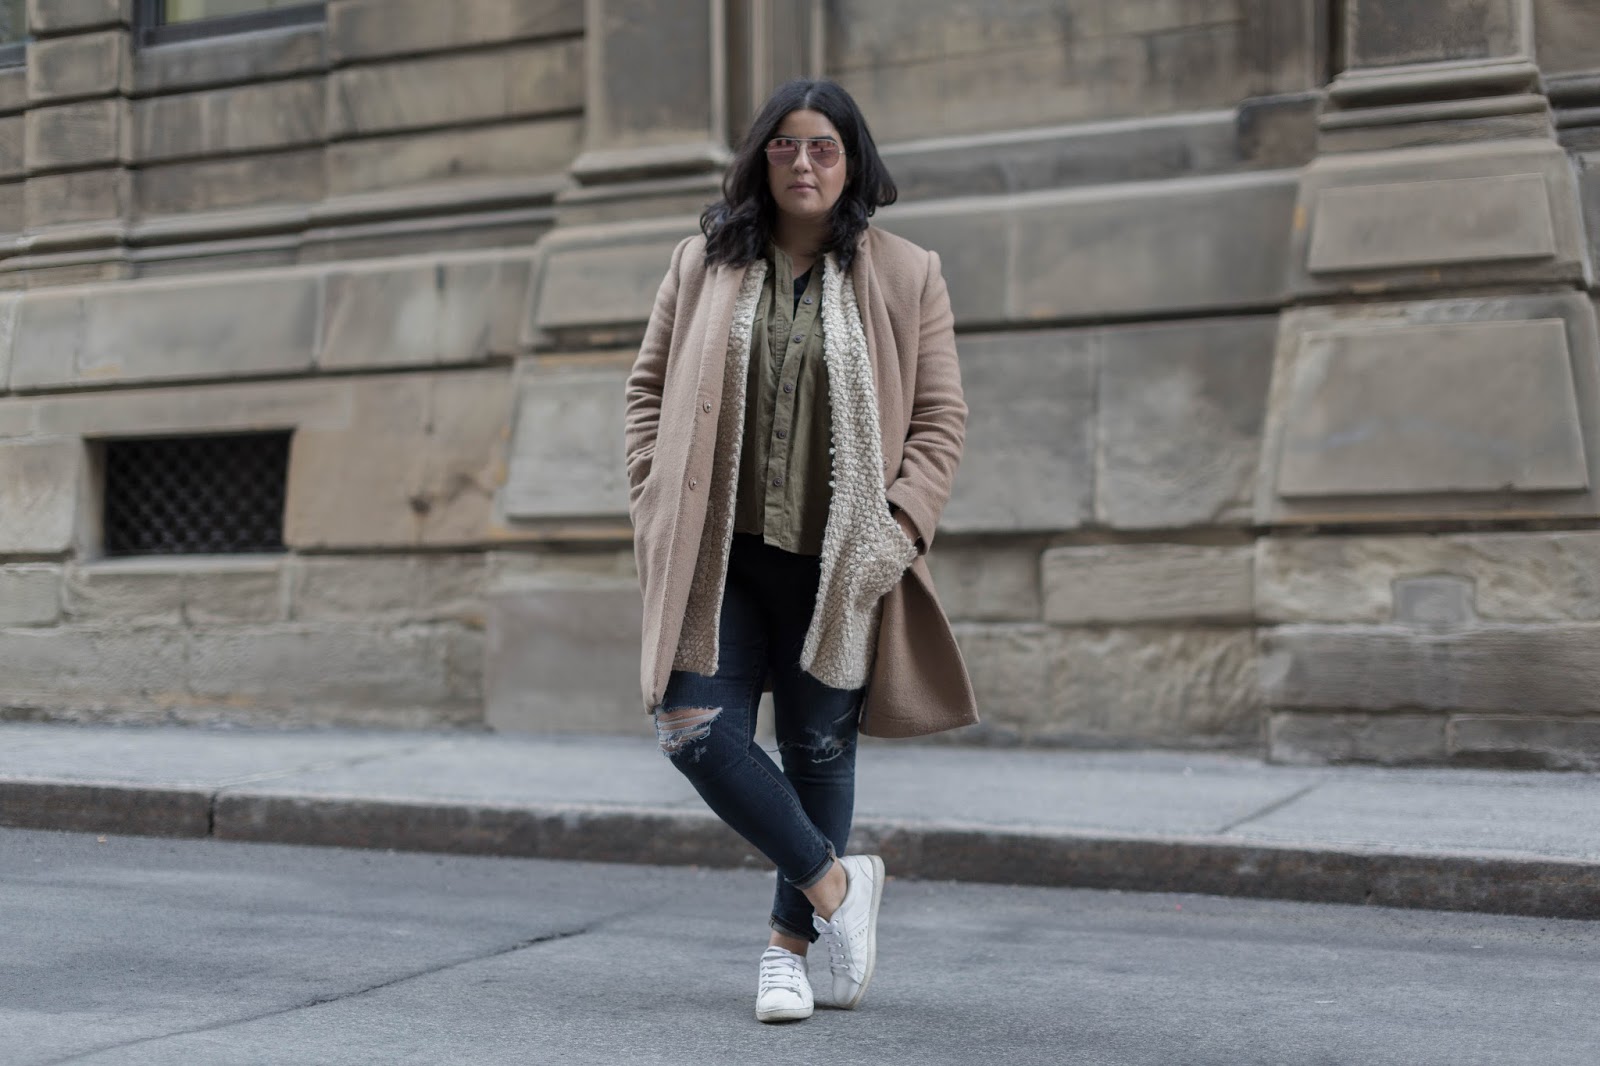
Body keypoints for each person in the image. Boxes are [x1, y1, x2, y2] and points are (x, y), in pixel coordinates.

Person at [623, 78, 978, 1023]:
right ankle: (837, 888)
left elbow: (940, 420)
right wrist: (651, 490)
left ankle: (787, 954)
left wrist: (897, 530)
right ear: (761, 159)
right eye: (784, 145)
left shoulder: (907, 273)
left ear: (851, 161)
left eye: (824, 146)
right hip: (720, 555)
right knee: (692, 729)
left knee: (818, 749)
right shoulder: (703, 262)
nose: (803, 163)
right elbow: (647, 390)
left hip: (839, 563)